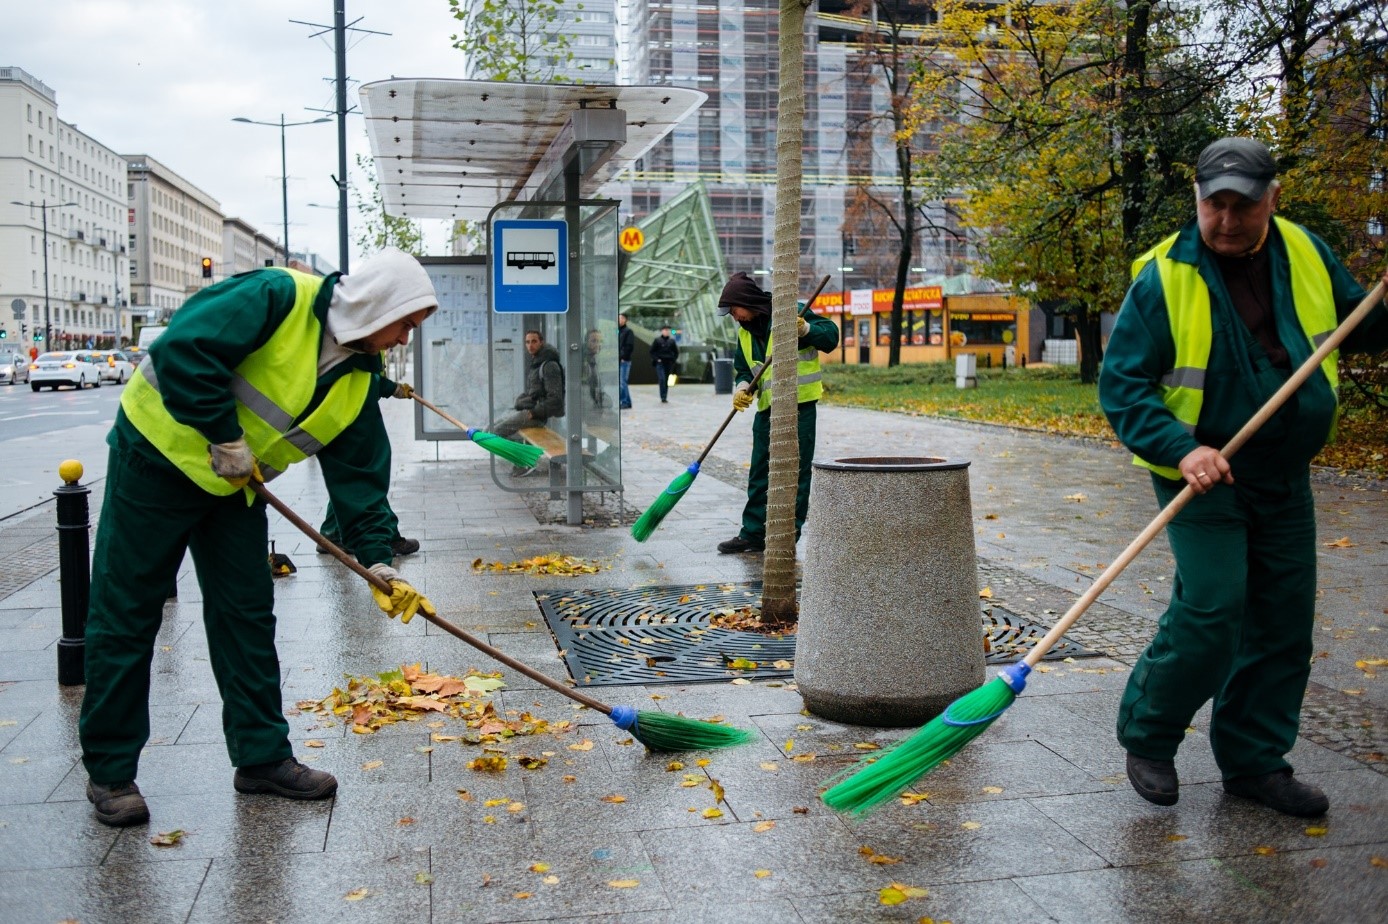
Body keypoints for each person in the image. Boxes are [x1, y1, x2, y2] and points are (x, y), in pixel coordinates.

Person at [79, 247, 441, 828]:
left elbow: (360, 481)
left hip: (234, 490)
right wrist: (223, 435)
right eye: (405, 323)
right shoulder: (276, 296)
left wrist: (380, 565)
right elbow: (182, 350)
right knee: (127, 615)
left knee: (246, 615)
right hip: (156, 461)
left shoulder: (358, 380)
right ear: (379, 305)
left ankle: (262, 757)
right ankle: (110, 772)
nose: (403, 339)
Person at [1099, 137, 1388, 817]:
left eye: (1243, 206)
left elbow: (1360, 326)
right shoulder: (1164, 277)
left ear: (1272, 200)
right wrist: (1182, 448)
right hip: (1200, 471)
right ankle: (1150, 732)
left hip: (1283, 470)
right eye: (1214, 205)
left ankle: (1256, 762)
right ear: (1196, 200)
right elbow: (1123, 386)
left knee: (1283, 621)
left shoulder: (1305, 252)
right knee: (1214, 608)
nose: (1227, 220)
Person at [718, 271, 839, 554]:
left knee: (796, 472)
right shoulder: (745, 333)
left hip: (800, 407)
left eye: (734, 310)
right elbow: (743, 367)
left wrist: (806, 330)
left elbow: (831, 337)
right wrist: (742, 386)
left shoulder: (791, 312)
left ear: (746, 301)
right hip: (766, 409)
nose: (734, 317)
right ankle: (753, 533)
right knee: (760, 471)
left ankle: (787, 536)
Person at [315, 372, 420, 557]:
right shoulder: (357, 347)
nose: (402, 341)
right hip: (351, 414)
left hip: (351, 411)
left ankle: (330, 532)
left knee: (353, 480)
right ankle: (390, 537)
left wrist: (389, 386)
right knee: (369, 481)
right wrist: (390, 387)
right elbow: (360, 373)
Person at [493, 329, 565, 440]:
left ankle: (517, 455)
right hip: (528, 410)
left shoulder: (550, 365)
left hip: (537, 416)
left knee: (496, 431)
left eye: (534, 341)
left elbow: (556, 399)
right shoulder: (537, 363)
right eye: (527, 342)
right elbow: (535, 392)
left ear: (541, 342)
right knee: (489, 428)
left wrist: (533, 413)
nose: (530, 345)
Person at [649, 325, 680, 403]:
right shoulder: (657, 340)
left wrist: (673, 359)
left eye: (668, 330)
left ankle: (664, 396)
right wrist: (657, 359)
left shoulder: (671, 341)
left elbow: (676, 352)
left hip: (668, 363)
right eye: (665, 330)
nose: (667, 331)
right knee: (662, 379)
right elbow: (652, 351)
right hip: (660, 363)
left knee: (666, 380)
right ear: (662, 331)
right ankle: (662, 396)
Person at [617, 313, 634, 409]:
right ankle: (627, 401)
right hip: (619, 359)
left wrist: (624, 357)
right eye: (618, 318)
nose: (620, 320)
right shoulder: (618, 331)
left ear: (625, 320)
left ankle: (625, 401)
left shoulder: (628, 331)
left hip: (624, 360)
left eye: (622, 318)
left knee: (622, 382)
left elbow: (629, 346)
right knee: (622, 382)